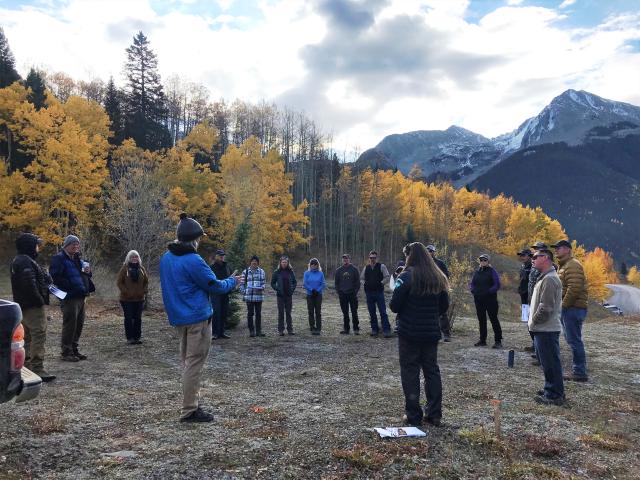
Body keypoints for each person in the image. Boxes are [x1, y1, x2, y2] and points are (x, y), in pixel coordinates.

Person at [160, 213, 241, 423]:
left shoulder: (166, 258)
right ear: (194, 238)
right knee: (194, 364)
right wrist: (233, 282)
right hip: (197, 318)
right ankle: (189, 410)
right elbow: (213, 285)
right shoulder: (193, 260)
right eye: (199, 238)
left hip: (179, 318)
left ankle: (192, 404)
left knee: (188, 362)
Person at [390, 242, 449, 427]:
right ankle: (434, 414)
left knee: (410, 371)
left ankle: (413, 415)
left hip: (409, 333)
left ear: (410, 256)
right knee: (432, 371)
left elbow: (394, 306)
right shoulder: (438, 277)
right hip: (431, 332)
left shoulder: (405, 276)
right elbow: (444, 306)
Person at [10, 233, 56, 382]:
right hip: (32, 306)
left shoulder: (22, 260)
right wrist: (39, 300)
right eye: (36, 245)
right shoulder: (25, 262)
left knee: (28, 335)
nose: (38, 248)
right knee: (38, 334)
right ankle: (37, 368)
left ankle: (27, 367)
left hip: (25, 305)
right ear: (29, 246)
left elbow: (35, 281)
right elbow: (29, 286)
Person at [50, 235, 95, 362]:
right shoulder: (58, 258)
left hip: (81, 296)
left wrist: (88, 271)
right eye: (73, 244)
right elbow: (55, 277)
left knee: (79, 324)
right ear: (66, 245)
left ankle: (74, 349)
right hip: (69, 297)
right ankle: (66, 352)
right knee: (70, 324)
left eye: (77, 244)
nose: (76, 246)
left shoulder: (78, 259)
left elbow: (85, 275)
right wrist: (70, 286)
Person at [528, 249, 565, 405]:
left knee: (550, 363)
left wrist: (534, 322)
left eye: (535, 257)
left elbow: (546, 307)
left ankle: (554, 395)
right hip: (543, 329)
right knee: (548, 362)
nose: (532, 259)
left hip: (546, 329)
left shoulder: (549, 279)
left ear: (546, 258)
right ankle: (552, 389)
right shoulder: (545, 278)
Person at [552, 239, 589, 382]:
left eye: (559, 248)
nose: (556, 250)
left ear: (567, 249)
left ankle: (580, 372)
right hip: (570, 308)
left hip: (573, 308)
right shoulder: (565, 265)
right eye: (556, 248)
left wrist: (563, 306)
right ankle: (579, 369)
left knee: (574, 340)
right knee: (572, 339)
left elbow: (574, 289)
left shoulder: (573, 265)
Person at [469, 254, 503, 348]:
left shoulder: (492, 271)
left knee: (493, 319)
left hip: (490, 299)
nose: (483, 262)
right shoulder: (477, 271)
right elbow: (472, 283)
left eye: (485, 260)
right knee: (481, 320)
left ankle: (498, 341)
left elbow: (497, 284)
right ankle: (482, 340)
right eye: (481, 260)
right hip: (478, 299)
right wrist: (472, 290)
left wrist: (489, 291)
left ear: (488, 262)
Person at [116, 250, 148, 345]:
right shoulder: (124, 269)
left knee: (138, 318)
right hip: (126, 299)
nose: (134, 259)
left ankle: (137, 337)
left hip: (139, 298)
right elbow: (119, 282)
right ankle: (130, 338)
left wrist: (144, 291)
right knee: (129, 318)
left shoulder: (142, 269)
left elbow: (146, 281)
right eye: (132, 257)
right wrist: (126, 292)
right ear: (128, 258)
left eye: (136, 257)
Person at [361, 250, 392, 337]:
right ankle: (374, 329)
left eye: (374, 258)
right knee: (372, 312)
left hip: (379, 292)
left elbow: (387, 277)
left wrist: (381, 283)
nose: (372, 259)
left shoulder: (382, 266)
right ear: (369, 258)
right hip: (369, 293)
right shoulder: (366, 267)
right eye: (371, 258)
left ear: (376, 258)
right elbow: (362, 278)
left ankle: (386, 330)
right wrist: (365, 284)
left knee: (383, 312)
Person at [426, 244, 451, 342]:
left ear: (434, 252)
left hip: (440, 291)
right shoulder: (423, 264)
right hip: (428, 291)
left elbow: (446, 276)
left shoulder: (440, 263)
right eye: (428, 251)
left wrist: (442, 286)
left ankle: (446, 334)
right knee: (428, 313)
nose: (429, 253)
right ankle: (432, 333)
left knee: (442, 313)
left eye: (431, 251)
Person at [271, 256, 297, 336]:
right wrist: (277, 289)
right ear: (280, 263)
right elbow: (272, 283)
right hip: (280, 296)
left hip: (289, 295)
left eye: (285, 262)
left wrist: (291, 290)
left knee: (288, 313)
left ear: (288, 263)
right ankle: (281, 330)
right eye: (283, 262)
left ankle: (290, 330)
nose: (284, 263)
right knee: (281, 313)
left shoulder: (291, 272)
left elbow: (294, 282)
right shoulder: (277, 272)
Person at [335, 254, 360, 335]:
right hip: (343, 295)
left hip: (352, 294)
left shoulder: (354, 269)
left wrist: (355, 292)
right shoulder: (338, 270)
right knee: (345, 313)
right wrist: (339, 292)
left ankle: (356, 329)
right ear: (342, 260)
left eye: (347, 258)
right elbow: (336, 283)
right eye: (344, 259)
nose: (345, 260)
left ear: (349, 259)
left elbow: (358, 282)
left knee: (354, 312)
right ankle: (346, 329)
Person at [241, 255, 266, 338]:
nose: (254, 263)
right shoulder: (245, 272)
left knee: (258, 314)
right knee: (250, 314)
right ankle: (251, 331)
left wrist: (262, 287)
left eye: (256, 261)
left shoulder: (262, 271)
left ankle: (259, 331)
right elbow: (242, 284)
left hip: (259, 296)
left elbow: (264, 283)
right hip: (249, 297)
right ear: (250, 262)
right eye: (253, 261)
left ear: (258, 263)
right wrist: (244, 291)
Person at [210, 249, 232, 340]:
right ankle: (214, 333)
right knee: (216, 313)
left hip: (225, 293)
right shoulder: (211, 267)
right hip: (215, 294)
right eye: (220, 255)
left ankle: (222, 332)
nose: (222, 257)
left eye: (223, 255)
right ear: (216, 256)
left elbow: (231, 277)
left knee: (224, 312)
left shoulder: (227, 267)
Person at [517, 249, 534, 353]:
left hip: (530, 298)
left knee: (533, 322)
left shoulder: (533, 266)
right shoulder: (523, 266)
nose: (522, 257)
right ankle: (534, 343)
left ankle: (536, 345)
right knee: (527, 322)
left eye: (524, 255)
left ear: (529, 255)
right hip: (523, 297)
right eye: (521, 255)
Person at [303, 258, 326, 335]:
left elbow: (323, 284)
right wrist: (312, 290)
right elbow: (305, 284)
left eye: (315, 264)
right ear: (310, 265)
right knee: (311, 311)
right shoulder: (306, 273)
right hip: (310, 294)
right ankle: (312, 326)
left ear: (317, 265)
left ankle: (318, 327)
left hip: (318, 295)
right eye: (312, 264)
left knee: (318, 312)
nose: (313, 266)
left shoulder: (320, 273)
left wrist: (317, 290)